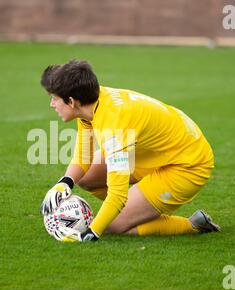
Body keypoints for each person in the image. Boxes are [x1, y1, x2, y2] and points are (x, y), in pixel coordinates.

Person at [40, 59, 220, 242]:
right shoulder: (90, 101)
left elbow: (117, 194)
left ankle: (192, 225)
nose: (52, 105)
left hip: (188, 164)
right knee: (86, 177)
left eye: (54, 99)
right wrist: (64, 183)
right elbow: (83, 156)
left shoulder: (114, 128)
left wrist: (90, 233)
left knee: (111, 225)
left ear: (71, 101)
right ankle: (136, 210)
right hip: (154, 151)